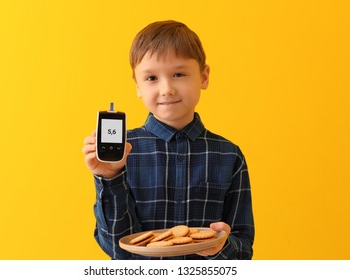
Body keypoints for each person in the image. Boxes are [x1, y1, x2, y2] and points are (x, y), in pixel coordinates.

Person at [82, 20, 254, 260]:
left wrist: (222, 246)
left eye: (179, 74)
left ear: (203, 76)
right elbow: (117, 250)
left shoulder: (229, 155)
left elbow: (243, 249)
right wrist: (110, 178)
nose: (167, 89)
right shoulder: (124, 153)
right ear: (137, 86)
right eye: (151, 78)